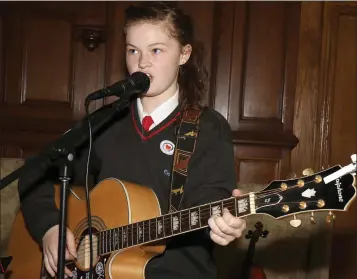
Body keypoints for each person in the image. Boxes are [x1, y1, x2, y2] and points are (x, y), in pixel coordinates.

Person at [18, 2, 246, 279]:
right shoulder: (105, 122)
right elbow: (34, 173)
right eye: (133, 50)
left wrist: (221, 222)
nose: (142, 62)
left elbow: (210, 198)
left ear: (184, 54)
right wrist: (50, 227)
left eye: (156, 50)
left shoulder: (208, 128)